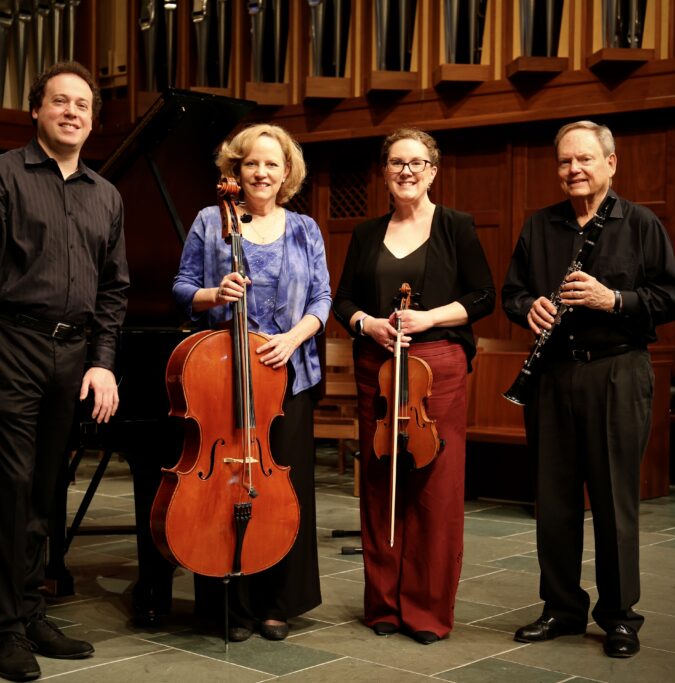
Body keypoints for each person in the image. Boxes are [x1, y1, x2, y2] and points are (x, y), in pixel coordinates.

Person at [0, 62, 129, 682]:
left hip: (72, 356)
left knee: (47, 491)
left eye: (83, 104)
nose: (72, 111)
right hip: (11, 347)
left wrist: (103, 364)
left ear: (92, 119)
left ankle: (31, 608)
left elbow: (114, 292)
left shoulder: (107, 195)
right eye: (60, 101)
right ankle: (6, 629)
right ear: (37, 110)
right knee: (14, 487)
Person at [502, 120, 675, 658]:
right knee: (554, 500)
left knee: (613, 500)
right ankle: (560, 606)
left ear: (610, 163)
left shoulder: (641, 223)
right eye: (564, 162)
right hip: (554, 375)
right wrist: (527, 306)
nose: (573, 170)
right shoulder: (540, 226)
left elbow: (671, 299)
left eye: (584, 159)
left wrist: (614, 300)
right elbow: (513, 291)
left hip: (617, 371)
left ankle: (620, 615)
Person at [333, 128, 495, 644]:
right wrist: (367, 323)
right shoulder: (365, 234)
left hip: (436, 368)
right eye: (397, 162)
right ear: (385, 171)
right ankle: (382, 604)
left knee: (433, 489)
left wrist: (426, 319)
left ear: (432, 170)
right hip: (377, 368)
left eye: (417, 163)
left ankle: (426, 610)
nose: (407, 171)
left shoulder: (456, 226)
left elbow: (483, 296)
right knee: (380, 484)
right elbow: (342, 303)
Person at [172, 123, 331, 642]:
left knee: (282, 488)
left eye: (272, 164)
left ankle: (276, 603)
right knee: (222, 489)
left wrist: (293, 339)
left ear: (287, 173)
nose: (261, 172)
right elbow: (181, 288)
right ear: (235, 171)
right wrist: (214, 294)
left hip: (288, 379)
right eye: (251, 163)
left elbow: (323, 299)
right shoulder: (208, 220)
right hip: (222, 379)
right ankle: (228, 603)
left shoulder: (306, 228)